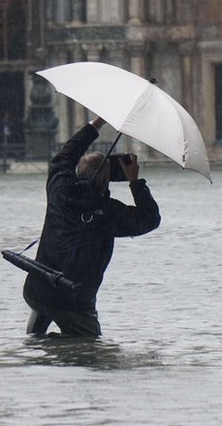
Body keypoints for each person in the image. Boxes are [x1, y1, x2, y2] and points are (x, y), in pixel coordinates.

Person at [22, 117, 161, 337]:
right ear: (106, 181)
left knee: (37, 336)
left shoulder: (59, 189)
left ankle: (42, 347)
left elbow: (67, 154)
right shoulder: (111, 213)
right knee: (91, 350)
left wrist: (96, 123)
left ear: (78, 171)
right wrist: (134, 181)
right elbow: (150, 218)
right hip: (75, 303)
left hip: (38, 290)